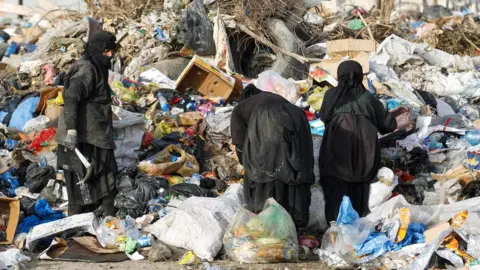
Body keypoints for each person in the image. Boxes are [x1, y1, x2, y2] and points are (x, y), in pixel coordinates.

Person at [319, 60, 397, 223]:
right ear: (360, 76)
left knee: (335, 187)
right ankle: (357, 225)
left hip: (336, 148)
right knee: (360, 187)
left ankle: (335, 227)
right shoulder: (368, 98)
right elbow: (388, 125)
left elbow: (324, 117)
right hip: (364, 150)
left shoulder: (331, 95)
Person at [231, 84, 314, 230]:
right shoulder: (275, 98)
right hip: (296, 117)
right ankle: (295, 219)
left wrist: (247, 165)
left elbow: (240, 143)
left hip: (267, 120)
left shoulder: (240, 109)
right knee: (291, 167)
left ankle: (268, 222)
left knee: (267, 172)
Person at [56, 31, 118, 217]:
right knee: (80, 182)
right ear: (98, 50)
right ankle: (78, 227)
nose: (110, 55)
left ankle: (106, 221)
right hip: (81, 136)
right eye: (106, 51)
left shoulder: (98, 67)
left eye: (111, 51)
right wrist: (72, 131)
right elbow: (71, 97)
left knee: (106, 178)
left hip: (96, 134)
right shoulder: (87, 69)